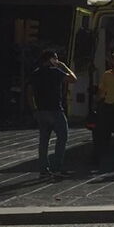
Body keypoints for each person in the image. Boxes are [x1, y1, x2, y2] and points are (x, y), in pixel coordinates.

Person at [27, 50, 77, 178]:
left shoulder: (35, 73)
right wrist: (64, 66)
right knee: (62, 137)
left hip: (41, 111)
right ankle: (57, 167)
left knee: (44, 141)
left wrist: (34, 110)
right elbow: (73, 79)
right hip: (55, 110)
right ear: (50, 59)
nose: (57, 61)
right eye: (55, 58)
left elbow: (29, 93)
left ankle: (43, 170)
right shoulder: (55, 72)